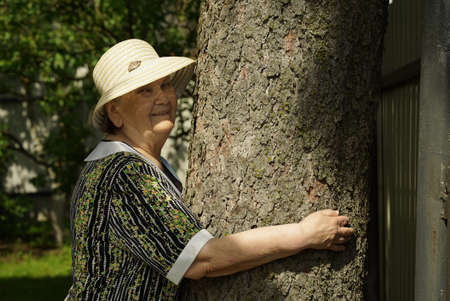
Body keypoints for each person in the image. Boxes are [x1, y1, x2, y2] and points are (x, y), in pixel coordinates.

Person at [65, 39, 354, 300]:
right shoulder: (125, 177)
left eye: (165, 85)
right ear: (115, 113)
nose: (163, 97)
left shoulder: (131, 167)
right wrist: (304, 234)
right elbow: (203, 260)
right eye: (144, 91)